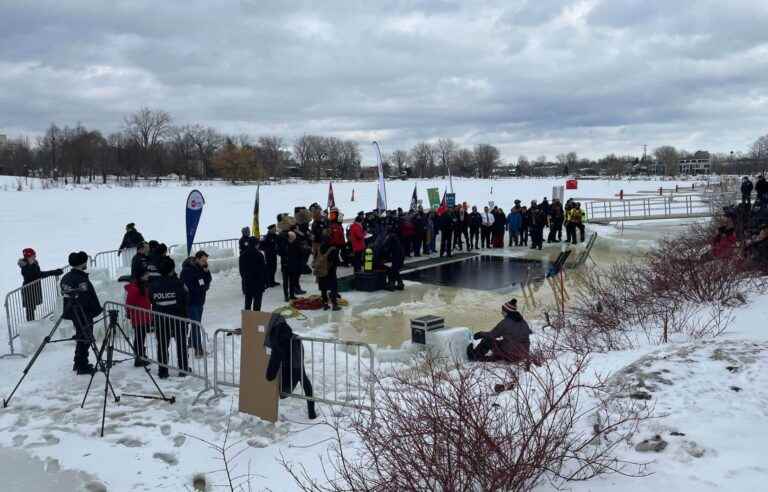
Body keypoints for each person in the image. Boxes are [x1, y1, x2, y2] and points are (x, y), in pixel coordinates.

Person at [60, 251, 102, 375]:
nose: (86, 264)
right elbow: (87, 298)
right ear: (81, 263)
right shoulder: (80, 279)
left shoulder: (66, 277)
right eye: (85, 262)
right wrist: (95, 309)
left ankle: (78, 362)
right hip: (83, 313)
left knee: (82, 336)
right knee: (86, 337)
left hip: (74, 312)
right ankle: (82, 365)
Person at [149, 256, 189, 379]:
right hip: (178, 318)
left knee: (162, 344)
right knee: (181, 344)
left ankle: (163, 370)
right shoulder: (178, 283)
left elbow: (151, 299)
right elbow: (185, 298)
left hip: (160, 319)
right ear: (172, 269)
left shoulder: (153, 284)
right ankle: (183, 368)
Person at [466, 299, 532, 367]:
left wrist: (480, 334)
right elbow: (526, 332)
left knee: (487, 340)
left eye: (502, 311)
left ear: (507, 312)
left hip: (511, 354)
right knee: (505, 342)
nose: (501, 313)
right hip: (523, 354)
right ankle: (500, 356)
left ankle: (474, 356)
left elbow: (492, 335)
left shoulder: (505, 322)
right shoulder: (523, 322)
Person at [18, 248, 63, 321]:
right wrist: (53, 272)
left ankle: (32, 323)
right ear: (28, 257)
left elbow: (39, 273)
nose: (35, 257)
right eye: (33, 255)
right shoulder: (25, 267)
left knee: (32, 308)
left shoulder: (34, 263)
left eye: (34, 255)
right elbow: (33, 275)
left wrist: (53, 272)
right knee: (30, 309)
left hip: (34, 288)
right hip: (28, 290)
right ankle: (30, 326)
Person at [181, 251, 212, 357]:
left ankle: (191, 342)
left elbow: (208, 281)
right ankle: (198, 349)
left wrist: (207, 272)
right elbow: (191, 287)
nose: (205, 263)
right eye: (203, 260)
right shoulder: (188, 271)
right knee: (196, 325)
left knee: (197, 323)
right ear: (197, 259)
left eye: (206, 261)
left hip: (200, 300)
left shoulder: (202, 268)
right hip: (191, 301)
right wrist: (203, 287)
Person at [124, 268, 152, 367]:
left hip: (144, 316)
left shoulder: (144, 286)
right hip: (139, 317)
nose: (148, 275)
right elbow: (129, 303)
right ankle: (138, 358)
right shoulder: (135, 288)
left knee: (141, 337)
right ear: (141, 276)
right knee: (139, 338)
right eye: (146, 274)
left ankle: (141, 355)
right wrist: (128, 313)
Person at [314, 234, 341, 310]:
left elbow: (315, 259)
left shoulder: (319, 248)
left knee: (323, 288)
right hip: (331, 271)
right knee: (333, 288)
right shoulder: (333, 249)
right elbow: (337, 262)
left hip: (321, 272)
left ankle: (325, 304)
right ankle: (334, 305)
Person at [240, 237, 267, 311]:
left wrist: (245, 278)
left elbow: (241, 270)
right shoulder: (259, 254)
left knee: (248, 302)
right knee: (257, 302)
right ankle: (256, 318)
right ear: (256, 244)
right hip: (258, 283)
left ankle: (247, 318)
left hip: (247, 282)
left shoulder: (243, 254)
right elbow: (263, 270)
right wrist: (264, 281)